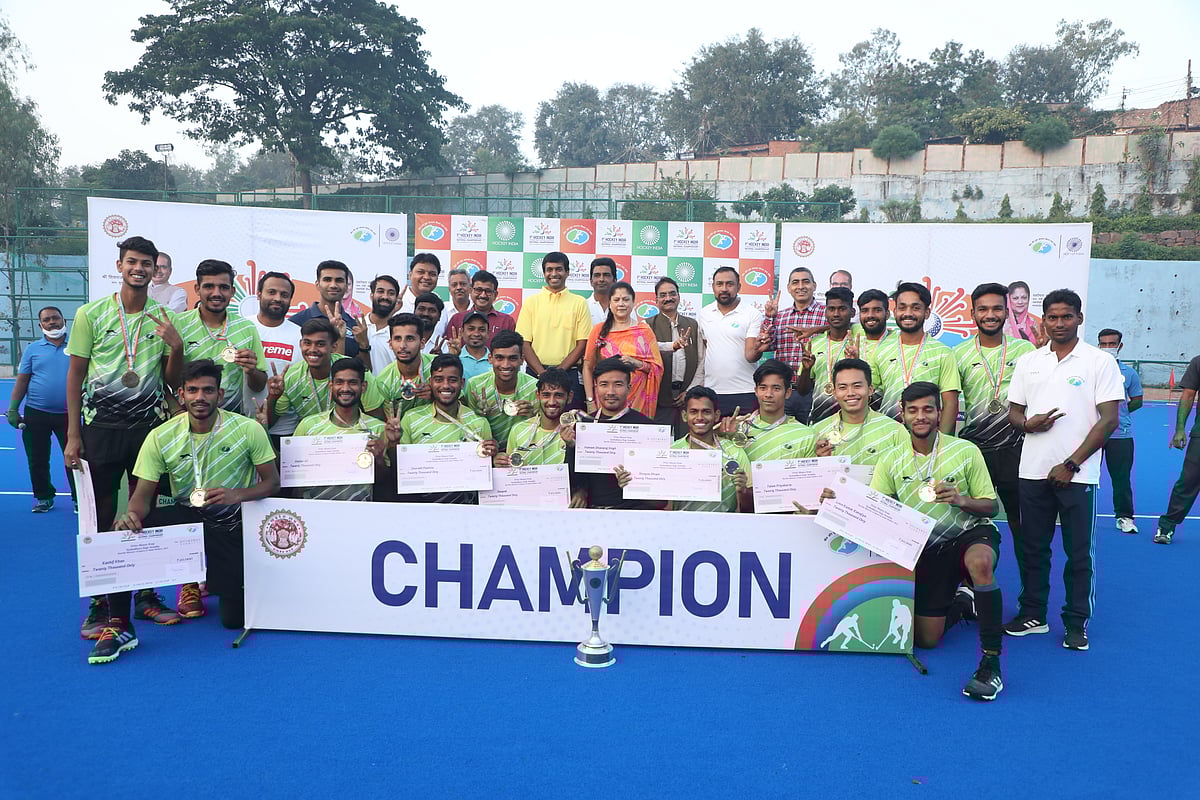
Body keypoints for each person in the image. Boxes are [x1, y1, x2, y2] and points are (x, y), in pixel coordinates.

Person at [97, 360, 279, 664]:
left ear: (220, 394)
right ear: (181, 395)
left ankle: (215, 581)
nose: (200, 397)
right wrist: (132, 516)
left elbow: (272, 483)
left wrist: (237, 495)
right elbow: (142, 496)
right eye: (192, 390)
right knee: (121, 535)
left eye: (208, 390)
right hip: (187, 521)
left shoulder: (247, 429)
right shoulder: (161, 436)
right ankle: (119, 625)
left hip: (231, 522)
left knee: (232, 620)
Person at [65, 235, 186, 636]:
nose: (139, 268)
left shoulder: (164, 317)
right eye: (132, 261)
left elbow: (171, 380)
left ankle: (146, 596)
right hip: (99, 429)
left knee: (145, 514)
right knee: (98, 517)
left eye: (146, 263)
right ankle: (100, 603)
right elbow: (75, 375)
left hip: (147, 432)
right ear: (120, 266)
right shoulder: (91, 314)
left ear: (155, 269)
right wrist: (73, 434)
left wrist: (177, 348)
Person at [869, 381, 1006, 701]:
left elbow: (991, 507)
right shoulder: (890, 459)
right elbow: (876, 509)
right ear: (902, 414)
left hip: (967, 534)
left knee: (980, 562)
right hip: (925, 548)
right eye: (913, 410)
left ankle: (991, 662)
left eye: (928, 409)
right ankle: (964, 601)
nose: (920, 416)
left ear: (940, 412)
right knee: (927, 640)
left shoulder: (965, 450)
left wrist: (961, 500)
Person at [1004, 289, 1123, 650]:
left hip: (1078, 475)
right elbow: (1014, 412)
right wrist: (1028, 424)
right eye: (1052, 317)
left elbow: (1109, 420)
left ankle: (1075, 622)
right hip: (1032, 472)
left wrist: (1071, 464)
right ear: (1044, 320)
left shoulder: (1099, 362)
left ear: (1079, 318)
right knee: (1033, 548)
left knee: (1079, 553)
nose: (1059, 323)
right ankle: (1033, 615)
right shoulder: (1029, 361)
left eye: (1066, 316)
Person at [954, 283, 1036, 562]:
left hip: (1017, 447)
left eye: (997, 309)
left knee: (1021, 522)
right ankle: (969, 582)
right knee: (968, 522)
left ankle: (1030, 584)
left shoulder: (1025, 350)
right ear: (973, 314)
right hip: (975, 449)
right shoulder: (958, 353)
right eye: (983, 309)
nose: (990, 315)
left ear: (1007, 312)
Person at [396, 354, 497, 505]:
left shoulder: (479, 423)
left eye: (452, 380)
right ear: (430, 382)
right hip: (421, 506)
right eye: (438, 379)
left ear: (462, 383)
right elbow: (401, 468)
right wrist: (392, 443)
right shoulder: (411, 418)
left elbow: (486, 474)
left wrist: (493, 455)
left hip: (465, 508)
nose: (445, 386)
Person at [565, 357, 661, 510]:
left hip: (633, 513)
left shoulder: (647, 429)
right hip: (593, 512)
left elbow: (659, 498)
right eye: (604, 384)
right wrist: (580, 490)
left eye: (618, 384)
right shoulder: (585, 426)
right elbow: (574, 479)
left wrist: (635, 483)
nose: (610, 392)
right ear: (596, 386)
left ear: (629, 387)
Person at [7, 306, 77, 513]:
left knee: (75, 458)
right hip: (35, 413)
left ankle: (79, 499)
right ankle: (44, 497)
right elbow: (22, 381)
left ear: (64, 320)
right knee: (37, 458)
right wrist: (13, 409)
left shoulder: (77, 347)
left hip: (69, 414)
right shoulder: (33, 349)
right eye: (47, 320)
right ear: (41, 325)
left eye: (55, 318)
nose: (52, 322)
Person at [176, 259, 267, 415]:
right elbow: (166, 377)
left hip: (232, 418)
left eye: (223, 287)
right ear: (197, 289)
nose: (216, 293)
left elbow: (259, 386)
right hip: (187, 416)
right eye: (209, 286)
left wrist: (252, 371)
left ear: (232, 291)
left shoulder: (247, 328)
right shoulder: (178, 324)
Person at [292, 358, 389, 501]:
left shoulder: (378, 429)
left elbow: (384, 482)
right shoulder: (308, 425)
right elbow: (292, 474)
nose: (345, 388)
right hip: (313, 508)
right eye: (339, 382)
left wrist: (379, 459)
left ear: (363, 386)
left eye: (352, 382)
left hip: (360, 508)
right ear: (331, 386)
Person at [868, 282, 960, 432]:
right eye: (902, 307)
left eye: (915, 308)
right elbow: (869, 396)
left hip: (928, 437)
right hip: (888, 436)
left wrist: (943, 441)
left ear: (927, 312)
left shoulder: (943, 353)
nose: (908, 313)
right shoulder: (881, 350)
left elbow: (950, 404)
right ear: (895, 311)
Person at [265, 318, 378, 429]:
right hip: (311, 437)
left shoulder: (355, 371)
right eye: (307, 343)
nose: (313, 349)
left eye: (320, 344)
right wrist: (273, 396)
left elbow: (377, 421)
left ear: (334, 347)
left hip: (354, 435)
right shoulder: (291, 376)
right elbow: (269, 422)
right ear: (300, 344)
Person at [811, 358, 908, 482]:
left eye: (857, 386)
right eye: (843, 387)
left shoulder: (895, 431)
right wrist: (819, 464)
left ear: (870, 390)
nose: (850, 393)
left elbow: (906, 478)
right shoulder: (817, 431)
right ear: (834, 392)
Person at [515, 251, 591, 406]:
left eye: (559, 269)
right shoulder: (531, 302)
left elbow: (582, 343)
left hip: (569, 373)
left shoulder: (579, 302)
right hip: (535, 373)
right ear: (544, 273)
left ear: (567, 272)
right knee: (533, 416)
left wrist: (559, 373)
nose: (554, 274)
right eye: (549, 270)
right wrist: (542, 374)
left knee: (570, 418)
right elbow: (524, 342)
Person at [582, 280, 663, 418]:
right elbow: (588, 367)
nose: (621, 304)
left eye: (626, 299)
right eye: (616, 300)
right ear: (610, 303)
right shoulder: (599, 331)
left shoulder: (644, 331)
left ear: (633, 303)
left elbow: (657, 368)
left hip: (638, 401)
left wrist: (637, 363)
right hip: (607, 399)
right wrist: (590, 401)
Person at [719, 359, 816, 467]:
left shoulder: (806, 434)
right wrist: (724, 435)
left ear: (788, 393)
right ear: (756, 391)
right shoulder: (738, 429)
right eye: (763, 388)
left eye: (776, 388)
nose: (768, 394)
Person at [670, 386, 751, 513]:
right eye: (693, 412)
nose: (700, 417)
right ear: (684, 416)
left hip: (724, 523)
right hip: (682, 523)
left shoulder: (734, 452)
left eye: (706, 412)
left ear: (716, 415)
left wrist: (743, 491)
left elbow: (749, 506)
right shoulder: (671, 451)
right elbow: (663, 504)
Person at [761, 267, 826, 422]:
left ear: (814, 286)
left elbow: (842, 331)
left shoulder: (826, 314)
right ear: (789, 288)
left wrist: (816, 329)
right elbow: (766, 345)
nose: (801, 286)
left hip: (816, 390)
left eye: (805, 282)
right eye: (795, 282)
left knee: (813, 432)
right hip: (785, 392)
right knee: (782, 432)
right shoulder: (780, 316)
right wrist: (769, 317)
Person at [698, 266, 767, 414]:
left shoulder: (752, 314)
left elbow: (750, 355)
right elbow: (705, 347)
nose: (724, 289)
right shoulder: (704, 313)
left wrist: (757, 349)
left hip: (745, 391)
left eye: (729, 284)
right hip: (712, 391)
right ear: (713, 287)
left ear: (739, 287)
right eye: (719, 284)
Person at [1097, 328, 1143, 534]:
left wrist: (1117, 414)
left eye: (1112, 344)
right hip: (1093, 434)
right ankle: (1079, 515)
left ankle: (1124, 517)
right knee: (1083, 478)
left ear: (1120, 346)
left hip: (1120, 434)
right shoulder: (1091, 370)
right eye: (1103, 344)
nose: (1107, 347)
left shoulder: (1129, 373)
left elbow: (1137, 401)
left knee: (1121, 478)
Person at [649, 277, 704, 437]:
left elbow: (701, 360)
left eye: (672, 294)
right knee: (657, 442)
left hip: (687, 396)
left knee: (687, 442)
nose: (668, 298)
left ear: (679, 296)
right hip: (658, 397)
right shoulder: (647, 325)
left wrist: (690, 391)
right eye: (663, 295)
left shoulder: (693, 325)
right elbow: (647, 354)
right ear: (656, 300)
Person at [465, 330, 537, 449]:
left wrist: (532, 417)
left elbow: (543, 429)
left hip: (523, 450)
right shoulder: (475, 385)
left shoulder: (534, 387)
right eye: (499, 358)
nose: (505, 365)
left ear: (522, 360)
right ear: (490, 358)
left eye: (512, 358)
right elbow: (469, 426)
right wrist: (479, 415)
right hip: (486, 450)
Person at [1155, 352, 1200, 544]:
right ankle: (1167, 526)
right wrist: (1180, 429)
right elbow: (1188, 395)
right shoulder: (1198, 362)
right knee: (1188, 482)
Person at [795, 287, 857, 424]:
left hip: (854, 417)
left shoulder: (860, 339)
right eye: (831, 309)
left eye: (842, 309)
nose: (836, 314)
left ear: (852, 312)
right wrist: (806, 370)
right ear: (825, 312)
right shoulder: (814, 343)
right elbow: (802, 390)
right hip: (821, 418)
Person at [366, 313, 434, 422]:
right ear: (390, 343)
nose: (402, 346)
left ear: (422, 343)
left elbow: (461, 405)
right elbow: (388, 423)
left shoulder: (438, 367)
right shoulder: (383, 381)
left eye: (410, 339)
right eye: (397, 339)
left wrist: (436, 395)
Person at [499, 367, 573, 467]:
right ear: (537, 395)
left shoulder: (576, 431)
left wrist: (572, 446)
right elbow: (511, 470)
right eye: (546, 395)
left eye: (558, 395)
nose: (552, 402)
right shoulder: (518, 430)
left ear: (569, 397)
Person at [288, 260, 362, 357]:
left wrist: (364, 345)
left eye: (339, 280)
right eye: (327, 280)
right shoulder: (296, 322)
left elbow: (362, 365)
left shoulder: (355, 326)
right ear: (317, 285)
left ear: (346, 286)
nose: (333, 285)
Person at [445, 270, 516, 346]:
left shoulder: (506, 321)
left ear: (495, 295)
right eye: (478, 290)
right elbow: (450, 349)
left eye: (488, 291)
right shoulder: (457, 319)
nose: (483, 295)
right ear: (471, 291)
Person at [349, 274, 401, 374]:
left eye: (391, 293)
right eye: (380, 291)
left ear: (396, 299)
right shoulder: (355, 326)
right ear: (371, 295)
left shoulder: (399, 332)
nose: (385, 297)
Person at [396, 253, 447, 343]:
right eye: (421, 272)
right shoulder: (397, 304)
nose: (426, 277)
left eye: (432, 274)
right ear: (410, 275)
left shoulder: (441, 306)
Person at [855, 289, 892, 409]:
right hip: (857, 412)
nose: (870, 315)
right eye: (865, 311)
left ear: (887, 314)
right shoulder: (852, 343)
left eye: (877, 310)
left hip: (890, 413)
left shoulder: (898, 342)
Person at [450, 312, 493, 384]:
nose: (476, 334)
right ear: (462, 332)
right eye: (471, 329)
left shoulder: (495, 360)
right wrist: (453, 357)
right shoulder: (454, 357)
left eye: (481, 330)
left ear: (488, 333)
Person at [588, 257, 625, 325]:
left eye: (606, 275)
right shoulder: (583, 306)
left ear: (615, 280)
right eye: (597, 275)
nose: (601, 279)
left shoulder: (625, 307)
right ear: (591, 281)